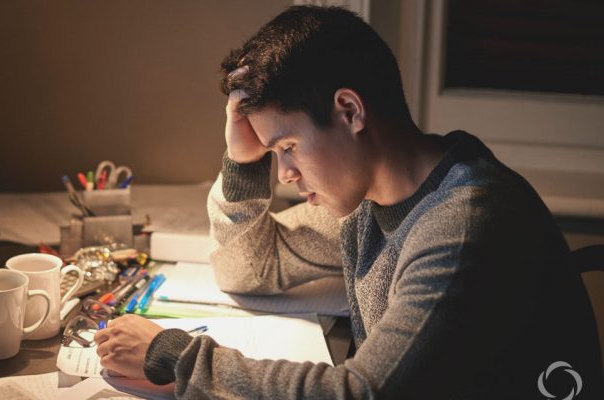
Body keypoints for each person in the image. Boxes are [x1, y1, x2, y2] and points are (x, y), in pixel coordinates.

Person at [93, 6, 602, 399]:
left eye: (288, 148)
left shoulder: (462, 225)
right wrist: (243, 161)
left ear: (349, 111)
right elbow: (249, 270)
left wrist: (175, 356)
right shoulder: (373, 201)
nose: (287, 176)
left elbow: (362, 393)